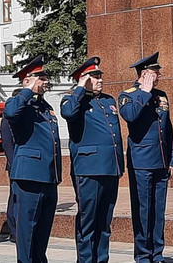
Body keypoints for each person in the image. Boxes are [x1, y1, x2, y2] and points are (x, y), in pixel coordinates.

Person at [61, 57, 125, 263]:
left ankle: (101, 259)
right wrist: (81, 87)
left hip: (110, 168)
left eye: (99, 76)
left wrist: (119, 165)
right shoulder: (72, 99)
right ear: (83, 79)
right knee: (87, 221)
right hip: (88, 169)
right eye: (94, 77)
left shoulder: (108, 100)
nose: (99, 80)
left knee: (104, 222)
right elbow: (68, 113)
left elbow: (116, 136)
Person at [118, 52, 173, 263]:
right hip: (141, 162)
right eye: (155, 72)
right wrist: (144, 92)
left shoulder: (162, 95)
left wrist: (171, 159)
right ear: (145, 74)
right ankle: (143, 255)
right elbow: (130, 116)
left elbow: (167, 129)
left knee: (158, 211)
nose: (159, 76)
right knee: (143, 210)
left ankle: (157, 253)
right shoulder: (128, 95)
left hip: (160, 161)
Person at [3, 55, 62, 262]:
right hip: (29, 177)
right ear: (29, 79)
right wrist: (27, 88)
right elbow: (10, 113)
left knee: (42, 231)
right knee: (27, 231)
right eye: (41, 77)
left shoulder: (44, 107)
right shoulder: (18, 102)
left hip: (48, 176)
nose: (46, 81)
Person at [0, 88, 21, 244]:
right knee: (15, 197)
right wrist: (14, 164)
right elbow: (7, 143)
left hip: (25, 165)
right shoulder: (8, 117)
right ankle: (13, 231)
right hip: (15, 164)